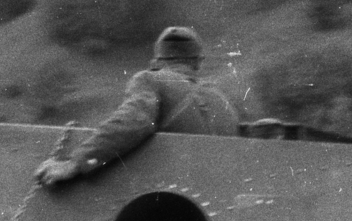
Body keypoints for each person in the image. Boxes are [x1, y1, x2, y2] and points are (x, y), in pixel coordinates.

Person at [35, 26, 239, 186]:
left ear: (156, 61)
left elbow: (133, 121)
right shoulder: (219, 96)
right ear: (198, 62)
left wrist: (76, 163)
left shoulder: (150, 80)